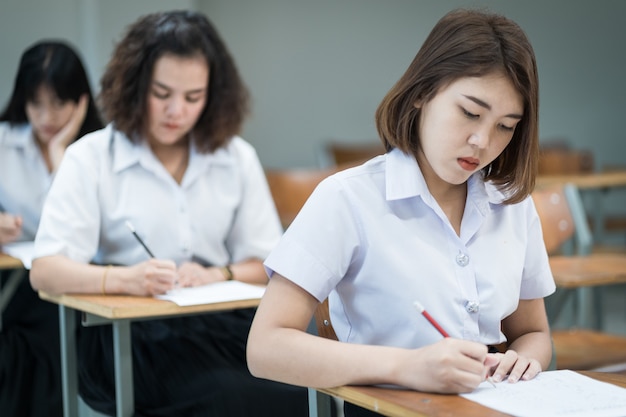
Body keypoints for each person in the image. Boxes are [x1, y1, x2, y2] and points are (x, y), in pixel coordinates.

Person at [247, 8, 555, 417]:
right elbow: (265, 348)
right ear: (422, 93)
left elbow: (533, 332)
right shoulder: (348, 198)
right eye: (470, 112)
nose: (482, 141)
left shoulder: (511, 204)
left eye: (506, 126)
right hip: (385, 407)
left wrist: (525, 358)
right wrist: (408, 366)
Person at [30, 10, 309, 417]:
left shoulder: (235, 157)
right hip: (128, 337)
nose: (176, 110)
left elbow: (270, 264)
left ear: (212, 95)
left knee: (305, 395)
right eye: (162, 94)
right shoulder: (91, 157)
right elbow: (45, 269)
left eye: (193, 97)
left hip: (219, 325)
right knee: (232, 398)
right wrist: (124, 279)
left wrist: (220, 273)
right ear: (135, 85)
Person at [0, 40, 103, 417]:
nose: (46, 116)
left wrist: (64, 154)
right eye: (36, 103)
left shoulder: (97, 150)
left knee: (49, 339)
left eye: (58, 103)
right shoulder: (4, 142)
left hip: (74, 282)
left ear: (81, 102)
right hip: (16, 283)